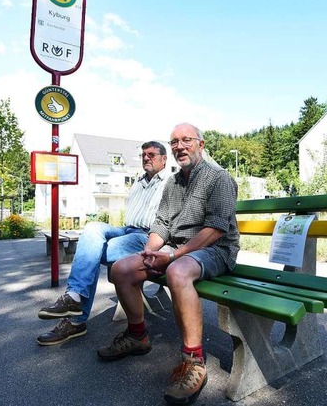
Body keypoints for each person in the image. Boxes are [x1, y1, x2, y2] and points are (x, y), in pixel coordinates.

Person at [96, 123, 239, 405]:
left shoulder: (218, 178)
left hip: (215, 249)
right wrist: (150, 251)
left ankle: (194, 361)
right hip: (179, 249)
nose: (179, 146)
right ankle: (138, 336)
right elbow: (161, 224)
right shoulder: (172, 182)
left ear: (201, 144)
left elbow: (216, 230)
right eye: (174, 142)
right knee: (121, 269)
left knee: (177, 270)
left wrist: (173, 256)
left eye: (186, 140)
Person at [36, 141, 169, 346]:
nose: (146, 158)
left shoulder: (169, 181)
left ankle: (76, 318)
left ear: (164, 159)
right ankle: (74, 296)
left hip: (148, 236)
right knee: (92, 228)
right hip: (127, 229)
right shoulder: (138, 181)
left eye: (151, 154)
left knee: (92, 253)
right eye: (143, 154)